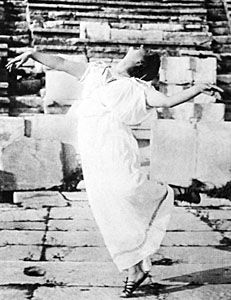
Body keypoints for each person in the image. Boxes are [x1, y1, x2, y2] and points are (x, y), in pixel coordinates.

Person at [6, 46, 218, 297]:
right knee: (107, 209)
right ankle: (134, 269)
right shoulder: (96, 70)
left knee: (128, 187)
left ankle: (171, 192)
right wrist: (32, 53)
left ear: (139, 64)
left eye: (142, 50)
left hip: (115, 143)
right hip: (92, 147)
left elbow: (168, 101)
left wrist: (196, 89)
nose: (136, 47)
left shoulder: (139, 88)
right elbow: (61, 62)